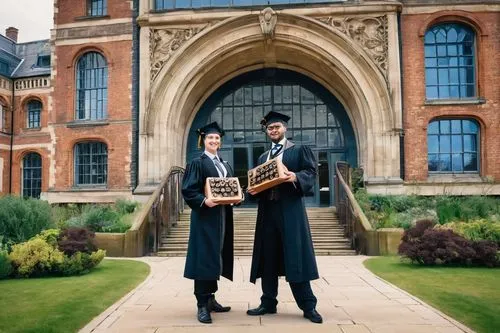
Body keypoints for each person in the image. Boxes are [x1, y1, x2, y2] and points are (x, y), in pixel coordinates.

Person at [247, 111, 323, 324]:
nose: (273, 130)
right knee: (268, 257)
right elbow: (259, 184)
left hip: (290, 210)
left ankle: (308, 306)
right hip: (268, 212)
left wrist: (295, 176)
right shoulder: (263, 157)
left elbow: (312, 173)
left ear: (285, 129)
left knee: (296, 256)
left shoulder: (299, 150)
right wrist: (252, 191)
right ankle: (268, 302)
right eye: (270, 128)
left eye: (276, 127)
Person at [182, 122, 237, 324]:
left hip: (222, 216)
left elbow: (230, 188)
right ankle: (202, 305)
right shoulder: (198, 162)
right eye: (210, 138)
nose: (214, 141)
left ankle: (212, 299)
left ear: (220, 142)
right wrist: (204, 201)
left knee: (217, 256)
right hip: (205, 218)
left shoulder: (225, 164)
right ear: (203, 141)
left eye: (216, 139)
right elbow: (188, 190)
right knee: (204, 258)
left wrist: (235, 198)